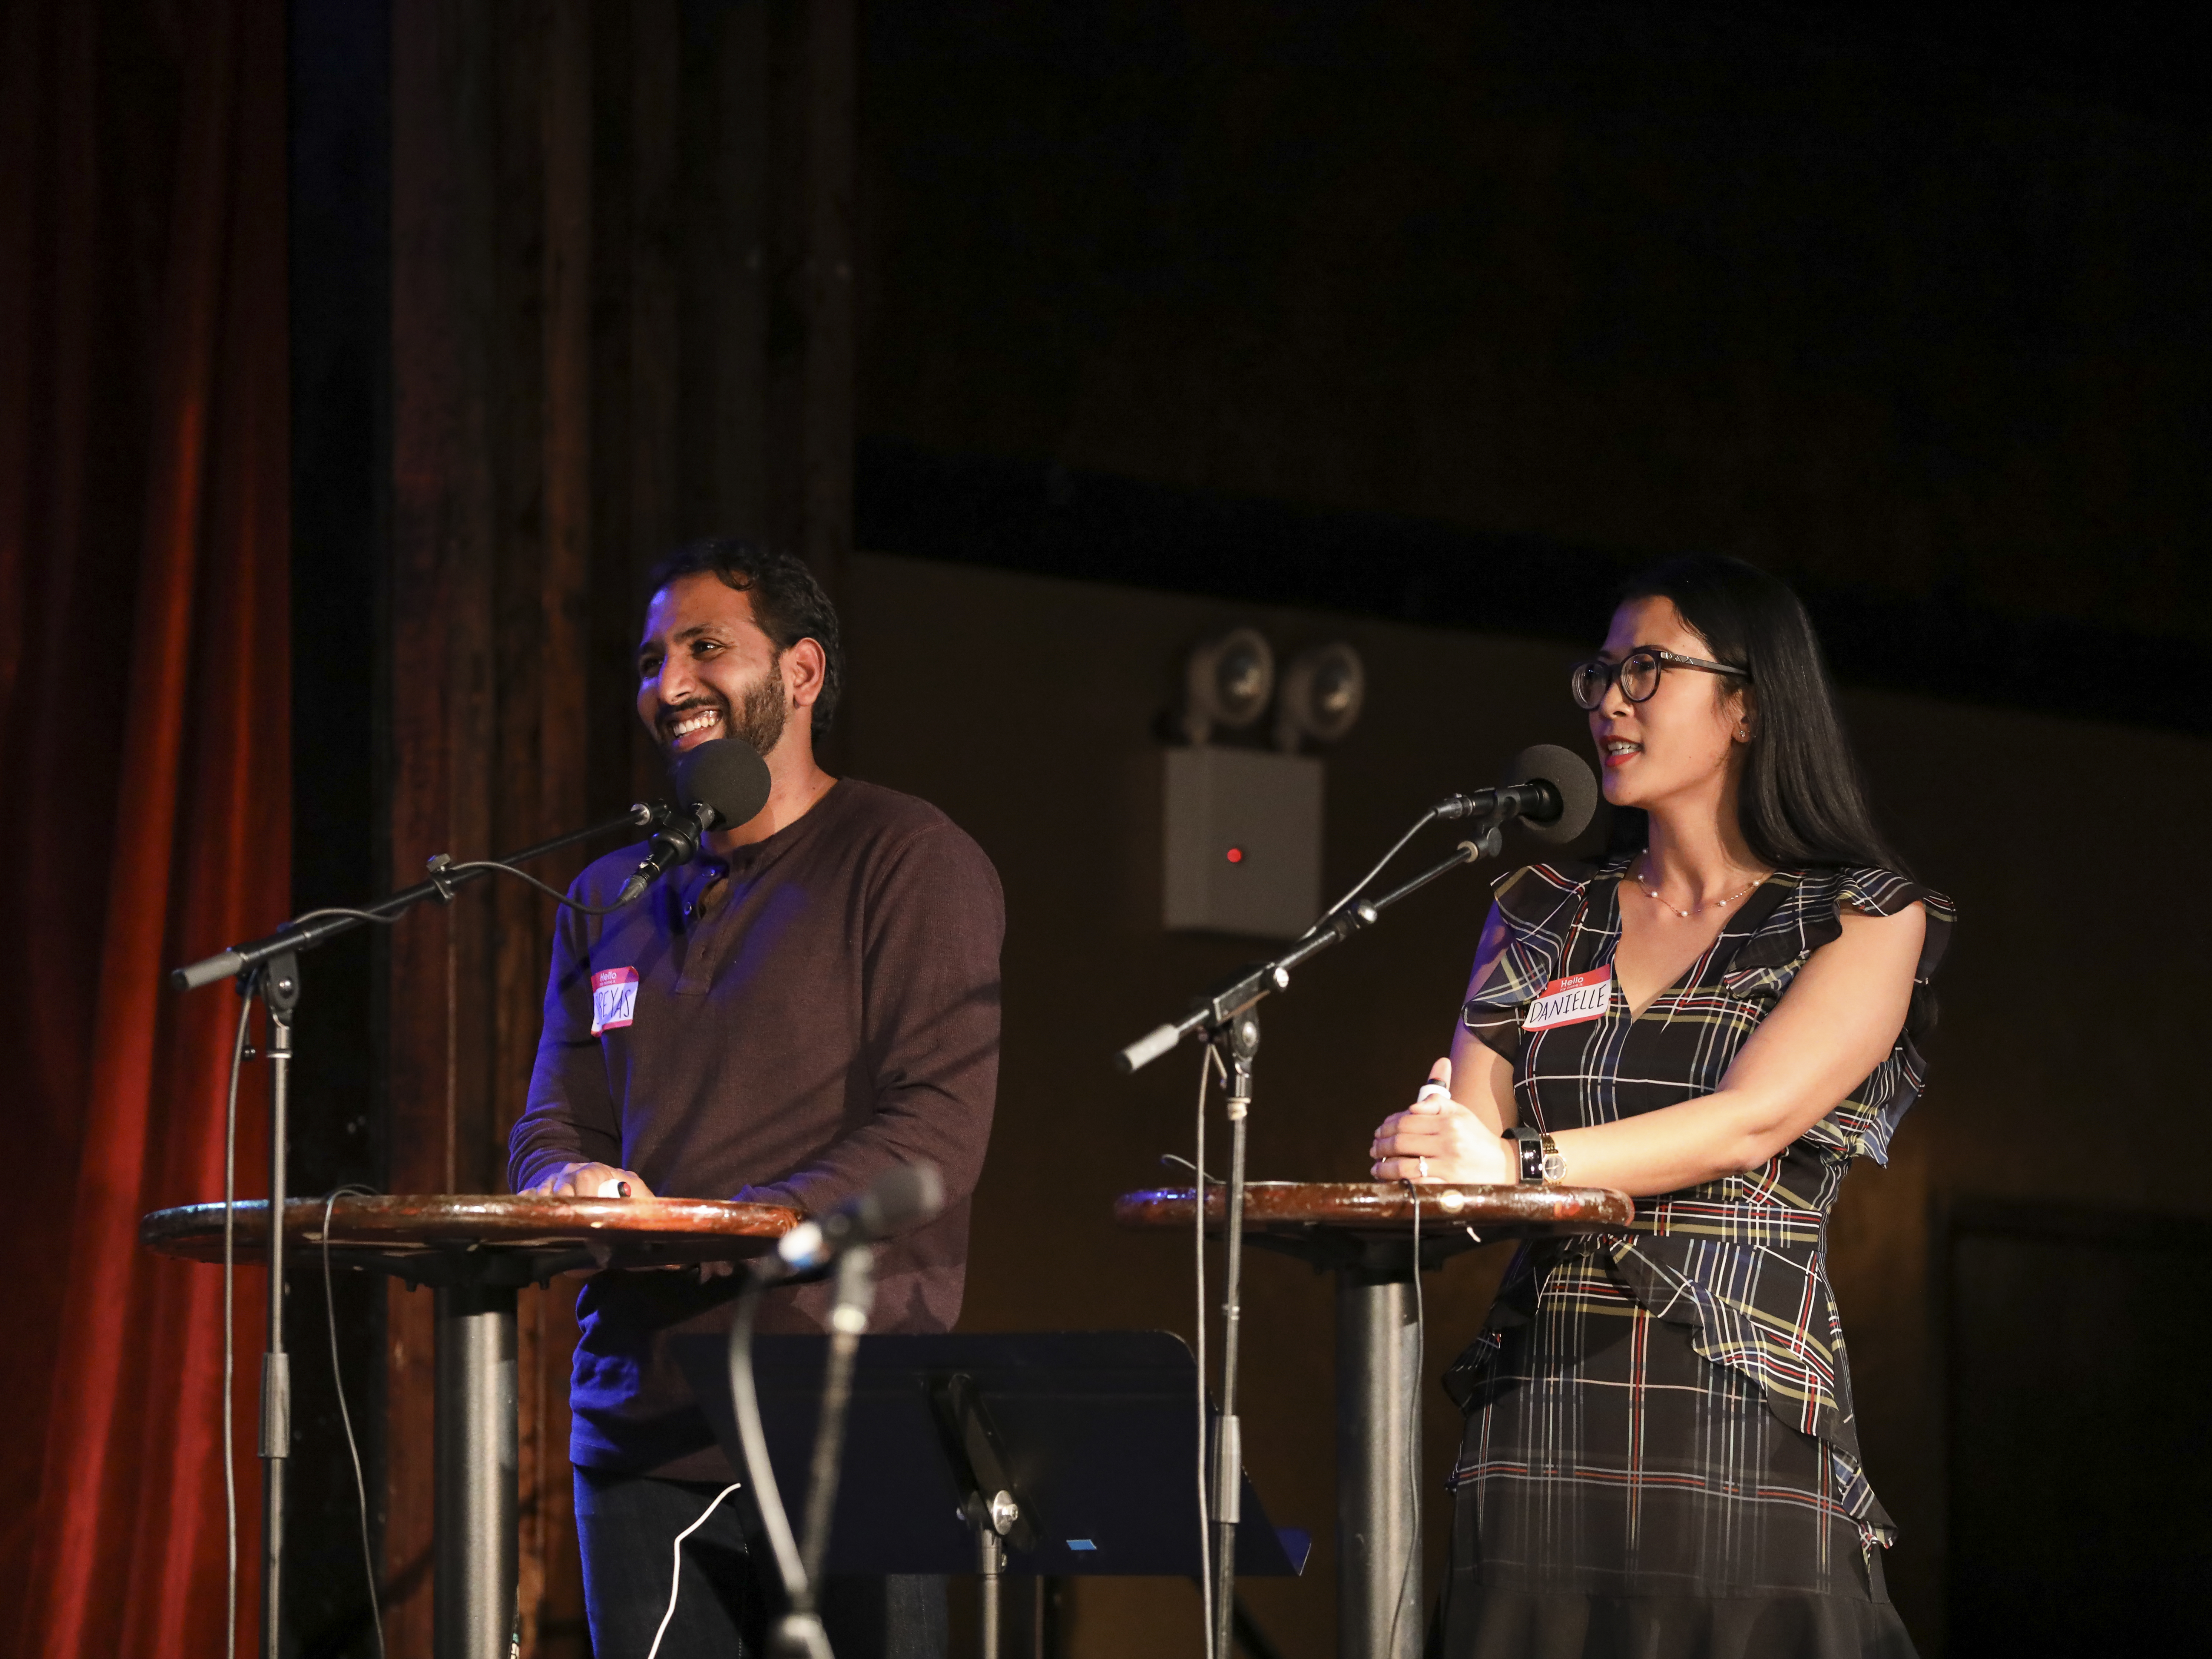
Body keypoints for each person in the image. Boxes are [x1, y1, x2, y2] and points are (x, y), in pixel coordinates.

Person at [1366, 555, 1952, 1658]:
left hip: (1736, 1392)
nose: (1609, 702)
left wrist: (1515, 1165)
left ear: (1746, 702)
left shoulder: (1860, 916)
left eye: (1648, 670)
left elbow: (1752, 1118)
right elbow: (1478, 1151)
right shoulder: (1543, 912)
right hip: (1539, 1404)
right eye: (1600, 673)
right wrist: (1439, 1150)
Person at [507, 541, 1003, 1659]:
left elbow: (935, 1129)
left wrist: (730, 1228)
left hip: (850, 1419)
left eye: (705, 648)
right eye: (650, 659)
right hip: (641, 1424)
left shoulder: (908, 857)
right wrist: (572, 1181)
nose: (668, 683)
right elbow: (551, 1127)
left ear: (803, 671)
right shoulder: (607, 896)